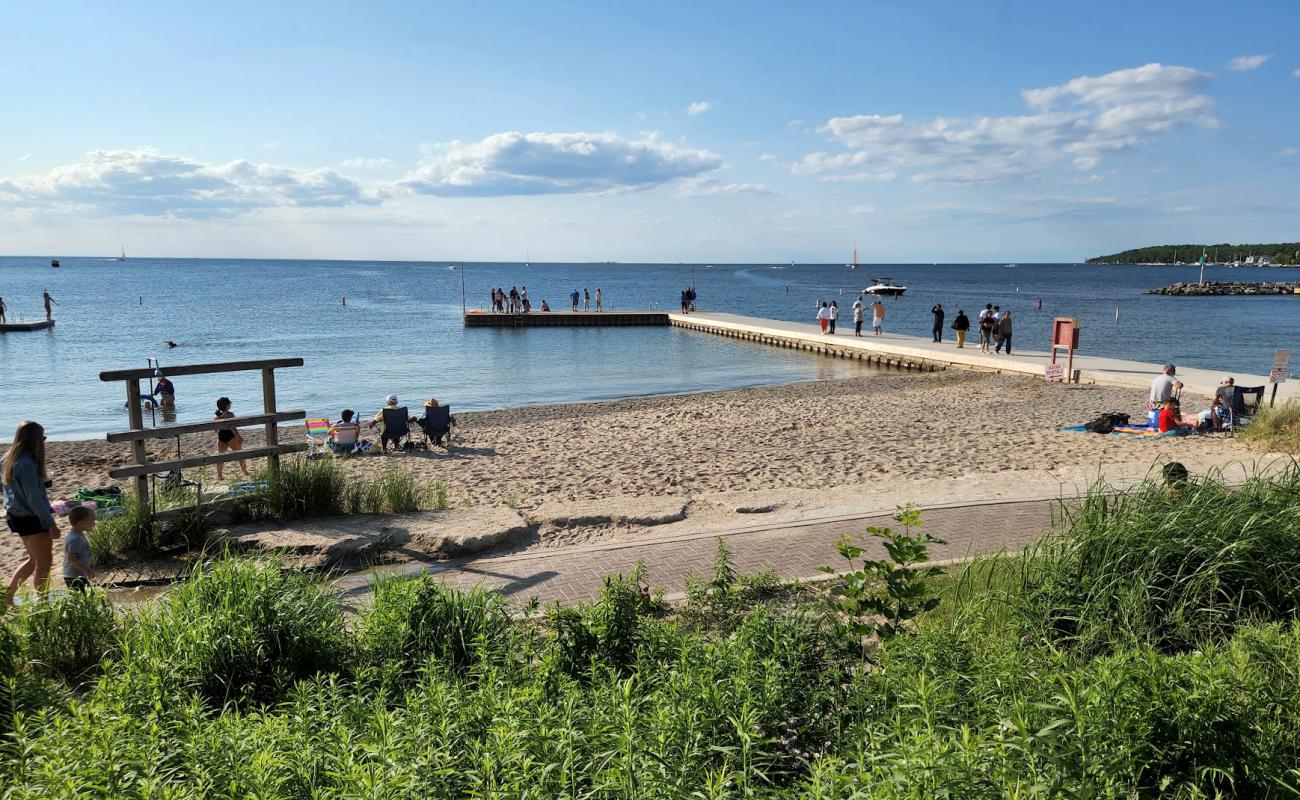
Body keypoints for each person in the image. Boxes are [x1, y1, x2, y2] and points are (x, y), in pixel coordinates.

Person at [3, 421, 59, 605]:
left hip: (15, 515)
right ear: (34, 440)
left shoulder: (7, 459)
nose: (43, 441)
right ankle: (42, 604)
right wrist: (51, 523)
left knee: (33, 560)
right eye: (42, 438)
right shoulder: (27, 464)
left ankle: (7, 597)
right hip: (30, 517)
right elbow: (34, 500)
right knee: (44, 563)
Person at [214, 397, 249, 481]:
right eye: (229, 404)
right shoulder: (230, 415)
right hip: (230, 436)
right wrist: (239, 437)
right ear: (227, 406)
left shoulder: (216, 417)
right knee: (240, 454)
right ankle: (244, 472)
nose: (230, 405)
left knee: (221, 457)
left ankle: (219, 476)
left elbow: (215, 430)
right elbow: (233, 428)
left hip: (221, 437)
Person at [63, 505, 96, 592]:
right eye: (92, 521)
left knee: (87, 597)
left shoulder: (78, 535)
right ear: (81, 523)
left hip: (77, 575)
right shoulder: (76, 539)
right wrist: (86, 570)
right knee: (86, 598)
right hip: (74, 576)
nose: (94, 523)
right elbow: (71, 559)